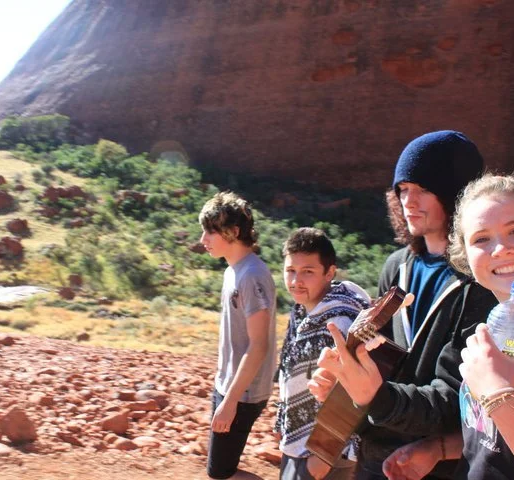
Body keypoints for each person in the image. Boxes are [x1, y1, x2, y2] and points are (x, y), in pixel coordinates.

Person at [309, 131, 495, 479]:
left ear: (456, 194)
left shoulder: (480, 281)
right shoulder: (397, 266)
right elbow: (379, 358)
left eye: (423, 189)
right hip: (376, 448)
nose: (408, 201)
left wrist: (375, 396)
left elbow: (456, 397)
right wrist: (342, 383)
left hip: (434, 463)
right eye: (402, 190)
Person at [382, 171, 514, 479]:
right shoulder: (495, 324)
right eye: (481, 239)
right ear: (465, 257)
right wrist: (440, 448)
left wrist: (498, 396)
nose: (500, 249)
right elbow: (496, 439)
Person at [276, 227, 371, 480]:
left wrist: (323, 459)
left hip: (325, 453)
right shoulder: (302, 311)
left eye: (308, 272)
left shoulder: (339, 320)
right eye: (290, 271)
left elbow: (353, 390)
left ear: (329, 272)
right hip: (300, 443)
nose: (296, 281)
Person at [198, 191, 277, 480]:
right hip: (230, 386)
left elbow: (259, 345)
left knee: (221, 473)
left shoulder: (251, 275)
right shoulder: (234, 271)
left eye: (210, 231)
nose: (203, 240)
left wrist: (229, 401)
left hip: (242, 392)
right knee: (220, 469)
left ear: (232, 232)